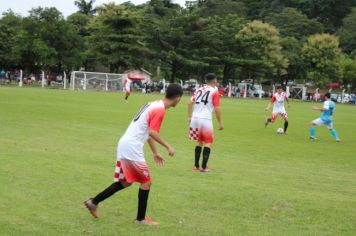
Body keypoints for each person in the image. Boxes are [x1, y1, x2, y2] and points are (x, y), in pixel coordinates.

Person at [84, 84, 183, 225]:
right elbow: (152, 132)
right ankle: (141, 219)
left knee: (126, 182)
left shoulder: (153, 103)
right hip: (131, 147)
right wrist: (168, 147)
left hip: (126, 144)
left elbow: (147, 131)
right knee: (146, 182)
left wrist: (155, 152)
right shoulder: (160, 110)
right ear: (178, 98)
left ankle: (93, 202)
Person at [188, 73, 224, 172]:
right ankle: (203, 167)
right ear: (215, 81)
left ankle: (196, 165)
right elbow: (217, 108)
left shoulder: (199, 89)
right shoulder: (214, 91)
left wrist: (189, 116)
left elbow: (189, 102)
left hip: (195, 118)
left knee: (199, 141)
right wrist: (220, 122)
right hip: (205, 119)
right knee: (208, 142)